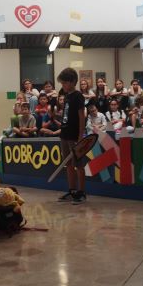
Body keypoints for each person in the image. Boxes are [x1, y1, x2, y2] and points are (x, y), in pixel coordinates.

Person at [57, 67, 86, 205]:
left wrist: (80, 136)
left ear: (73, 81)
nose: (62, 85)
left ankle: (81, 192)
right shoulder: (67, 96)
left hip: (75, 136)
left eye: (64, 83)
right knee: (68, 164)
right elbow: (66, 115)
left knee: (78, 164)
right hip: (64, 134)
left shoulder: (78, 96)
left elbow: (81, 116)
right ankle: (72, 190)